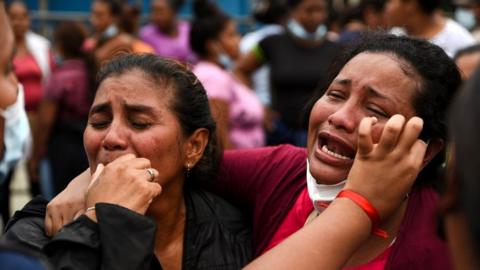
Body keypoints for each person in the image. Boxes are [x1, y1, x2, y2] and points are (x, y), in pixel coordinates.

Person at [41, 32, 458, 269]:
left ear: (427, 149)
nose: (341, 117)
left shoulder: (446, 239)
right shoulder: (282, 171)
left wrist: (360, 206)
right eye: (335, 94)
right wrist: (91, 181)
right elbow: (177, 159)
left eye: (375, 109)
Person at [2, 54, 252, 269]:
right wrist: (94, 224)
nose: (111, 138)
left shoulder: (233, 230)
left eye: (139, 123)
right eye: (99, 122)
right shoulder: (36, 232)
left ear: (194, 146)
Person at [236, 0, 341, 147]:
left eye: (321, 10)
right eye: (309, 10)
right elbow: (240, 70)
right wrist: (259, 106)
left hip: (318, 132)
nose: (316, 16)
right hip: (280, 132)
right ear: (293, 12)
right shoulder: (272, 43)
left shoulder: (336, 48)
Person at [27, 21, 95, 196]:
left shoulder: (59, 77)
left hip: (63, 147)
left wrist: (35, 157)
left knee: (62, 196)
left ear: (60, 45)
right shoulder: (92, 71)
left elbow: (45, 122)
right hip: (89, 143)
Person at [190, 0, 265, 149]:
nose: (238, 40)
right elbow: (219, 137)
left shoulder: (223, 72)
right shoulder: (212, 77)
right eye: (231, 35)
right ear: (212, 45)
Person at [7, 0, 53, 198]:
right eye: (13, 17)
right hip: (9, 119)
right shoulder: (2, 45)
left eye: (23, 17)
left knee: (36, 172)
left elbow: (51, 78)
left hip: (37, 119)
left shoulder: (41, 45)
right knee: (7, 174)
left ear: (29, 19)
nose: (18, 22)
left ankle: (37, 216)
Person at [384, 0, 476, 57]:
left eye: (390, 1)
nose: (386, 8)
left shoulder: (460, 41)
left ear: (411, 4)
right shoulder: (395, 35)